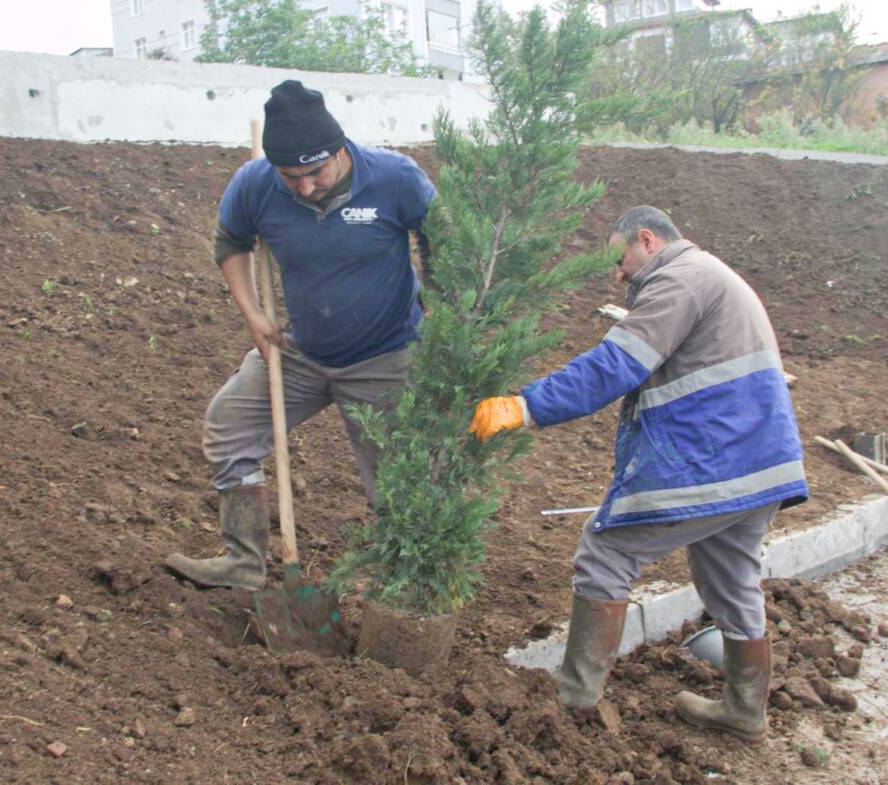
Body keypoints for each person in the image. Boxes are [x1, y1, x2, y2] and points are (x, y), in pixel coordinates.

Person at [469, 206, 808, 741]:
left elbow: (617, 363)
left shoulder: (681, 280)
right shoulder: (713, 275)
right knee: (731, 574)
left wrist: (527, 406)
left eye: (619, 259)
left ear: (647, 240)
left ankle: (575, 702)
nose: (618, 274)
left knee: (607, 550)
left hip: (713, 461)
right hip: (761, 462)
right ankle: (745, 710)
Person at [166, 80, 436, 592]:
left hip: (387, 357)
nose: (305, 187)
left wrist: (442, 310)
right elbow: (230, 241)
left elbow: (441, 235)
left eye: (316, 172)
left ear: (340, 149)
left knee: (398, 484)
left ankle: (403, 588)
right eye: (292, 177)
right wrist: (252, 314)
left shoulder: (394, 177)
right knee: (228, 427)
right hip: (301, 352)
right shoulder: (256, 182)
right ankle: (243, 562)